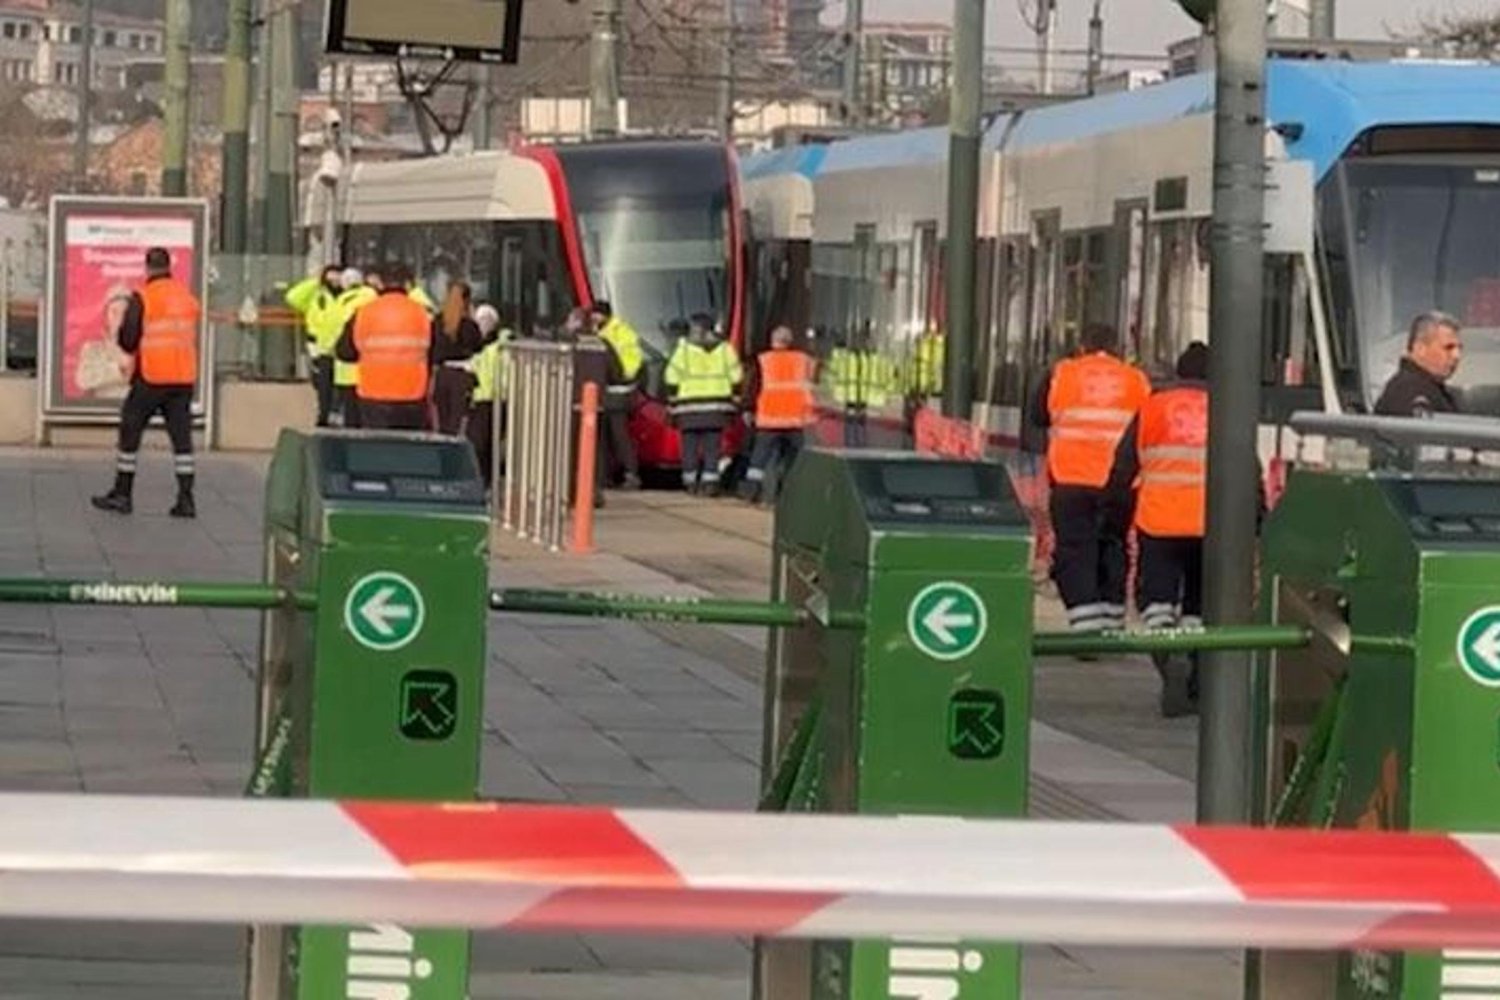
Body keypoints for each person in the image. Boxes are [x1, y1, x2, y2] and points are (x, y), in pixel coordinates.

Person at [1108, 342, 1210, 718]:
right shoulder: (1228, 410)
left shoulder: (1152, 406)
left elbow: (1123, 466)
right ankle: (1196, 676)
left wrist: (1114, 515)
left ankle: (1168, 661)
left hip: (1159, 520)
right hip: (1209, 525)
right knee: (1201, 605)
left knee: (1156, 603)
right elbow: (1249, 472)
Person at [1031, 323, 1152, 633]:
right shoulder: (1136, 379)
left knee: (1076, 548)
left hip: (1071, 478)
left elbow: (1037, 415)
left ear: (1082, 347)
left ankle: (1086, 625)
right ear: (1118, 349)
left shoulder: (1062, 373)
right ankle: (1112, 619)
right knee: (1113, 544)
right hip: (1121, 484)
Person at [91, 247, 202, 519]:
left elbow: (129, 339)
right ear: (169, 266)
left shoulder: (144, 297)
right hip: (183, 377)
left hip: (152, 376)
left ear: (148, 268)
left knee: (130, 429)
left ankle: (123, 494)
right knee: (181, 439)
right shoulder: (186, 298)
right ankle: (186, 499)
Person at [334, 263, 434, 431]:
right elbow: (434, 350)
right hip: (412, 394)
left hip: (373, 393)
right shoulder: (422, 313)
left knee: (377, 448)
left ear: (380, 284)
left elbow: (344, 352)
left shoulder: (364, 312)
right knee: (408, 449)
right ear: (407, 284)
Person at [665, 313, 743, 495]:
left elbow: (671, 377)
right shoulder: (725, 349)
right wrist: (735, 398)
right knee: (712, 447)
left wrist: (672, 401)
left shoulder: (683, 349)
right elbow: (737, 376)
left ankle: (691, 482)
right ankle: (710, 482)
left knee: (689, 446)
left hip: (688, 407)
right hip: (717, 407)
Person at [738, 325, 816, 505]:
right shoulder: (803, 360)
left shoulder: (763, 360)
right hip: (795, 421)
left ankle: (753, 493)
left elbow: (753, 388)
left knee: (759, 460)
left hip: (769, 420)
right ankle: (791, 495)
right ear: (790, 342)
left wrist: (748, 409)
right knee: (794, 461)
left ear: (773, 341)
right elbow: (811, 386)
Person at [284, 264, 346, 427]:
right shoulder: (316, 294)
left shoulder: (347, 296)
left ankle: (336, 415)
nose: (334, 279)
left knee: (340, 387)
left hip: (341, 349)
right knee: (322, 385)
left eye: (338, 275)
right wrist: (316, 282)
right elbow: (292, 297)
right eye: (331, 275)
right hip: (320, 349)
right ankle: (323, 417)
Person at [591, 300, 643, 490]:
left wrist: (622, 377)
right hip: (606, 390)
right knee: (603, 436)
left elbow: (630, 360)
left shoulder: (616, 333)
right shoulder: (603, 332)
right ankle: (605, 476)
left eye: (595, 314)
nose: (592, 318)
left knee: (619, 435)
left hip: (616, 390)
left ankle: (631, 473)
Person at [1374, 311, 1463, 417]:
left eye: (1459, 348)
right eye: (1448, 347)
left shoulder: (1431, 388)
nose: (1456, 356)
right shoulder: (1407, 392)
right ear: (1420, 348)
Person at [466, 303, 513, 490]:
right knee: (480, 444)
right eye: (480, 321)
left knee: (490, 443)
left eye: (487, 320)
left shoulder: (504, 342)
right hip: (480, 398)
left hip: (499, 398)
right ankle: (483, 481)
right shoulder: (475, 343)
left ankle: (488, 482)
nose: (483, 325)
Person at [431, 281, 484, 435]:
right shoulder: (469, 325)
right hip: (462, 375)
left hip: (442, 375)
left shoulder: (437, 322)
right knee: (458, 423)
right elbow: (478, 347)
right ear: (467, 300)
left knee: (442, 422)